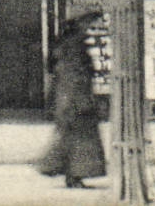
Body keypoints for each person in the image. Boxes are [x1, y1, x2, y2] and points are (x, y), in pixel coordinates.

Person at [37, 12, 106, 189]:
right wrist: (82, 100)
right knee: (78, 140)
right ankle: (73, 175)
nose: (89, 28)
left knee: (69, 138)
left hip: (67, 99)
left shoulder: (67, 46)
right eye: (87, 24)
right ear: (78, 25)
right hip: (74, 100)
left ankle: (67, 173)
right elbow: (74, 77)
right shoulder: (75, 47)